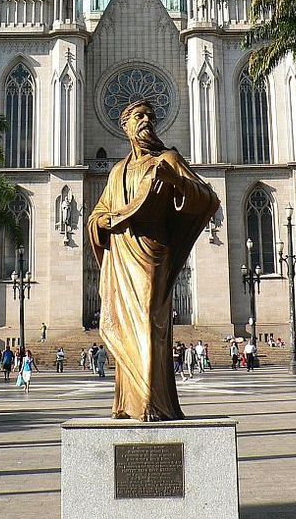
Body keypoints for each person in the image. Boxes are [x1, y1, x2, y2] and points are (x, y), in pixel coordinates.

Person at [87, 99, 219, 421]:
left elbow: (208, 197)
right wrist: (101, 223)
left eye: (150, 115)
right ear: (126, 125)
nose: (146, 120)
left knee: (148, 321)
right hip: (121, 254)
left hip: (152, 254)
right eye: (139, 116)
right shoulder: (116, 172)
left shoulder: (169, 158)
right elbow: (99, 214)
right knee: (123, 326)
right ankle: (130, 402)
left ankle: (154, 401)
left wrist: (175, 182)